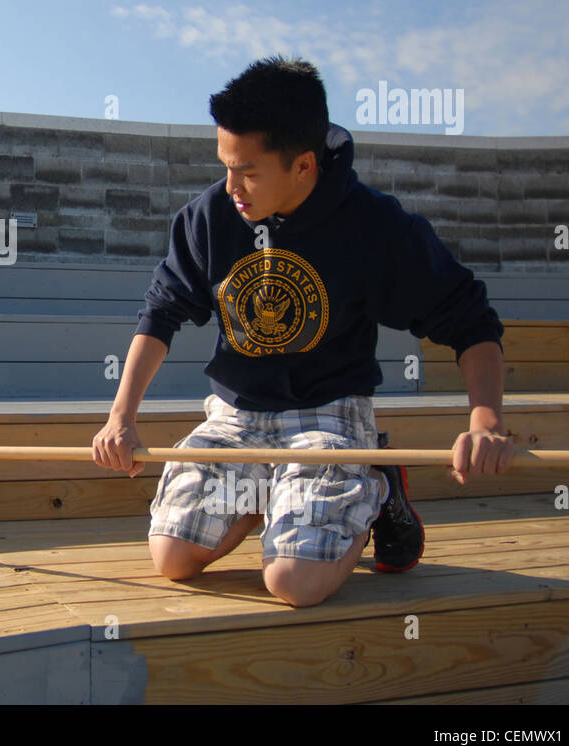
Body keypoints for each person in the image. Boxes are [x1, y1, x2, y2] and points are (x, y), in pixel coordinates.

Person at [92, 55, 515, 608]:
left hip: (326, 412)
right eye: (224, 165)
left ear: (304, 166)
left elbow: (470, 319)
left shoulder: (376, 226)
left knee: (292, 583)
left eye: (248, 171)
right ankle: (278, 490)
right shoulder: (209, 217)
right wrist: (120, 419)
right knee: (172, 559)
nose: (231, 186)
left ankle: (376, 486)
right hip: (237, 416)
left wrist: (486, 421)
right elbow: (163, 311)